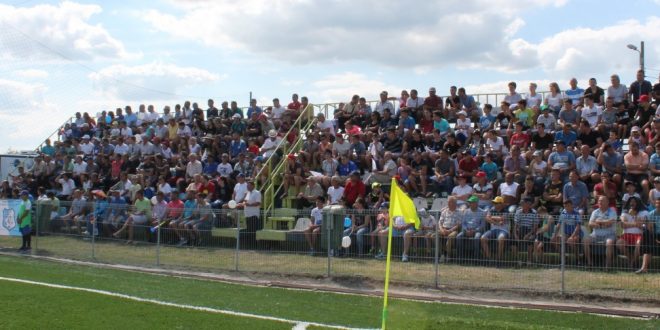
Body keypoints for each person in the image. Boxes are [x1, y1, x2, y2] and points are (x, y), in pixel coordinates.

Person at [584, 196, 617, 269]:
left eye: (602, 201)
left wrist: (598, 221)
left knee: (609, 242)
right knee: (585, 240)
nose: (600, 202)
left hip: (609, 234)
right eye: (599, 201)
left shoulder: (612, 211)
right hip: (595, 235)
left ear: (607, 202)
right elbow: (590, 223)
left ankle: (607, 265)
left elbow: (610, 223)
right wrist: (603, 224)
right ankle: (589, 263)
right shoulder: (595, 212)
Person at [617, 197, 646, 269]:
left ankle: (634, 263)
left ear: (638, 203)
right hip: (627, 235)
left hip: (639, 235)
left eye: (634, 202)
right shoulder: (624, 213)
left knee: (638, 244)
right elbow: (623, 225)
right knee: (619, 243)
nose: (632, 204)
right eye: (630, 202)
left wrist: (632, 220)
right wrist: (636, 223)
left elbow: (643, 226)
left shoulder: (644, 213)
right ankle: (632, 260)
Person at [481, 196, 510, 262]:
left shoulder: (506, 210)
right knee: (483, 238)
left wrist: (492, 217)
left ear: (501, 204)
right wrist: (496, 222)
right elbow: (487, 218)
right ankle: (489, 258)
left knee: (501, 238)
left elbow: (502, 218)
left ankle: (499, 259)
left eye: (496, 203)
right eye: (494, 202)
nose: (494, 204)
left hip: (503, 230)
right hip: (493, 230)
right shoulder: (491, 209)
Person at [512, 197, 539, 265]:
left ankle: (529, 260)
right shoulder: (518, 211)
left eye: (522, 203)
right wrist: (515, 235)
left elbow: (535, 226)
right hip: (520, 230)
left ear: (528, 204)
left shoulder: (534, 212)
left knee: (530, 240)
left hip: (530, 231)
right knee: (512, 241)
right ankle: (518, 260)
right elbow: (515, 225)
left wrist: (528, 234)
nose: (521, 204)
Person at [637, 198, 660, 273]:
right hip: (655, 235)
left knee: (648, 244)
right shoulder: (651, 214)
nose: (658, 205)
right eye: (657, 203)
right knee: (646, 234)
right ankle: (644, 268)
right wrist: (655, 238)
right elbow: (650, 229)